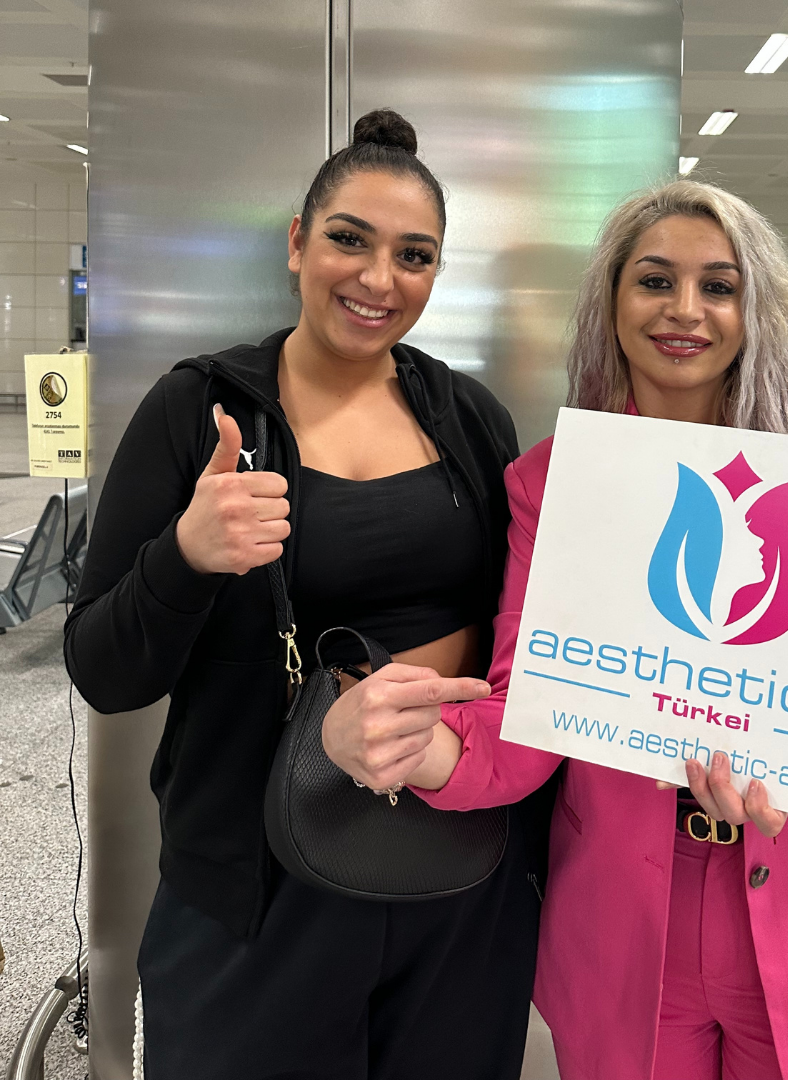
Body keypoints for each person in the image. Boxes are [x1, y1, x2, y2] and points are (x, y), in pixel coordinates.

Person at [325, 179, 788, 1080]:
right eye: (655, 280)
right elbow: (534, 707)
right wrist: (416, 747)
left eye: (720, 286)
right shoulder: (558, 484)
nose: (685, 310)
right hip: (632, 927)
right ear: (612, 301)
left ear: (757, 307)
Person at [65, 109, 542, 1080]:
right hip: (257, 888)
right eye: (349, 240)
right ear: (297, 243)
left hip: (454, 872)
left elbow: (525, 634)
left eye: (414, 256)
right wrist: (187, 556)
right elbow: (103, 671)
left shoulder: (467, 416)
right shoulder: (200, 410)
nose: (378, 279)